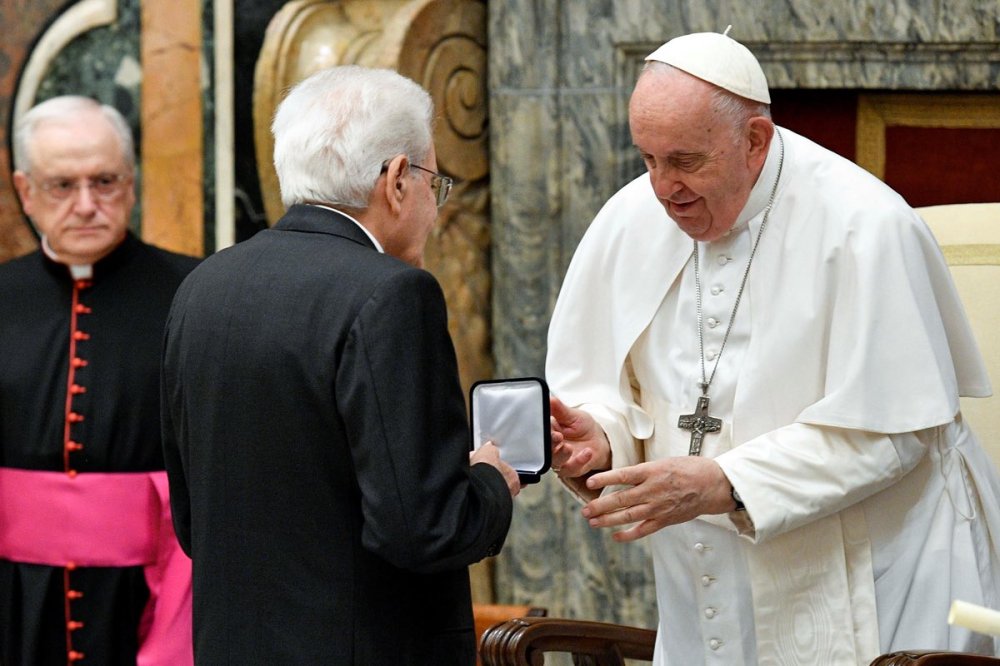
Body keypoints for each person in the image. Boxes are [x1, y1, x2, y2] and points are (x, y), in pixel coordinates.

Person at [545, 30, 1000, 665]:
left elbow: (894, 432)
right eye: (647, 159)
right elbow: (622, 389)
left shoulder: (865, 225)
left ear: (755, 141)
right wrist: (599, 436)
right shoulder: (629, 221)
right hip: (707, 581)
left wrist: (725, 481)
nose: (662, 187)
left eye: (685, 161)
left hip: (881, 569)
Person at [160, 65, 520, 665]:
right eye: (435, 180)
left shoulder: (202, 286)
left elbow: (193, 523)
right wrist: (490, 482)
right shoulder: (392, 294)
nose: (435, 203)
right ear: (398, 179)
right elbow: (422, 528)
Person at [0, 96, 198, 664]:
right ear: (25, 190)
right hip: (18, 599)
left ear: (132, 185)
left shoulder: (194, 294)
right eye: (62, 185)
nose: (86, 205)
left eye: (105, 181)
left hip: (154, 596)